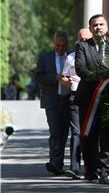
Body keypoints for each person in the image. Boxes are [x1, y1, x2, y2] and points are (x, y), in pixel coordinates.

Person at [75, 14, 109, 184]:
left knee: (107, 136)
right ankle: (91, 169)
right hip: (88, 99)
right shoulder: (82, 46)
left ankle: (104, 171)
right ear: (90, 29)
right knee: (88, 136)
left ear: (106, 27)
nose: (98, 27)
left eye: (101, 24)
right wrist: (99, 78)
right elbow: (80, 69)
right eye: (95, 25)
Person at [36, 31, 71, 175]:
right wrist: (56, 77)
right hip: (52, 101)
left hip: (68, 100)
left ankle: (59, 163)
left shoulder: (72, 57)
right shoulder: (45, 57)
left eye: (63, 46)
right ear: (53, 43)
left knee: (64, 134)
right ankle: (54, 161)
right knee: (55, 132)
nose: (60, 49)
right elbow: (39, 78)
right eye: (57, 45)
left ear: (67, 45)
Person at [60, 28, 93, 180]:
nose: (84, 42)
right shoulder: (71, 58)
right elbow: (63, 77)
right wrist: (69, 83)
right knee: (76, 132)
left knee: (93, 131)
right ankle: (75, 168)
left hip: (94, 97)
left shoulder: (96, 56)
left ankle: (92, 166)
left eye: (87, 39)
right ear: (77, 41)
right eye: (81, 39)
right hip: (76, 96)